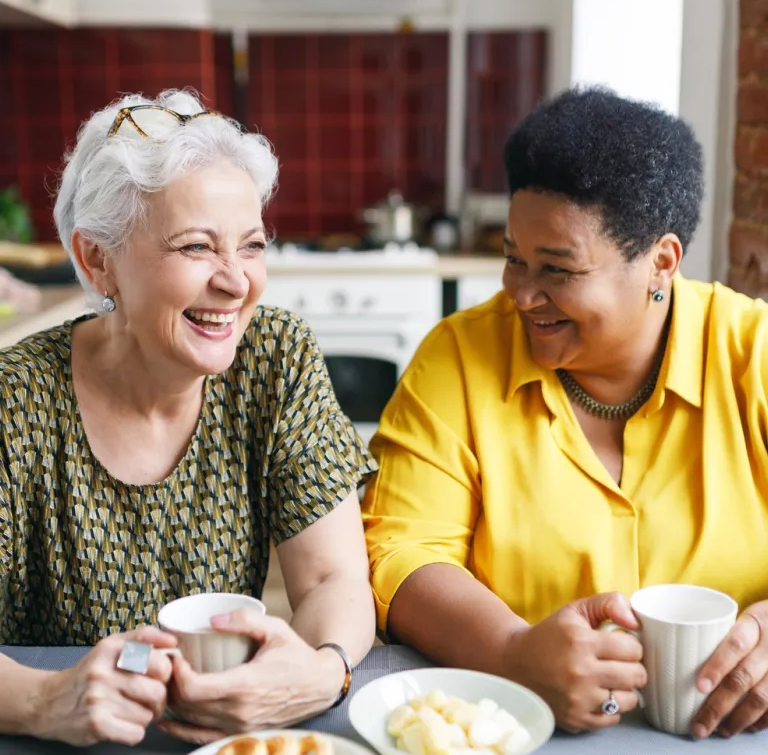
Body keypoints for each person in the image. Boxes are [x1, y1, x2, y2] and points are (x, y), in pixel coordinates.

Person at [362, 87, 768, 740]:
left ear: (660, 263)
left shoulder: (755, 355)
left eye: (557, 269)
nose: (522, 295)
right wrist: (513, 655)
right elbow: (403, 551)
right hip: (513, 732)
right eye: (513, 258)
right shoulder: (459, 359)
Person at [0, 89, 377, 748]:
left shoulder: (275, 358)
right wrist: (42, 700)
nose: (237, 282)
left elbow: (333, 577)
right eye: (197, 247)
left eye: (252, 245)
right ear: (97, 260)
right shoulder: (18, 398)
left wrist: (322, 672)